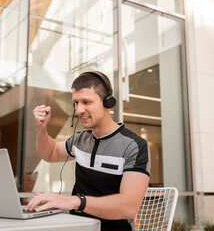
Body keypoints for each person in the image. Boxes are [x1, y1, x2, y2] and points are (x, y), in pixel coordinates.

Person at [26, 71, 150, 231]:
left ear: (107, 102)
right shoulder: (80, 140)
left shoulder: (134, 146)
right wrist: (41, 129)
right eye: (76, 103)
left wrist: (76, 201)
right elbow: (49, 154)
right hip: (76, 227)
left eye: (86, 102)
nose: (79, 110)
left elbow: (129, 207)